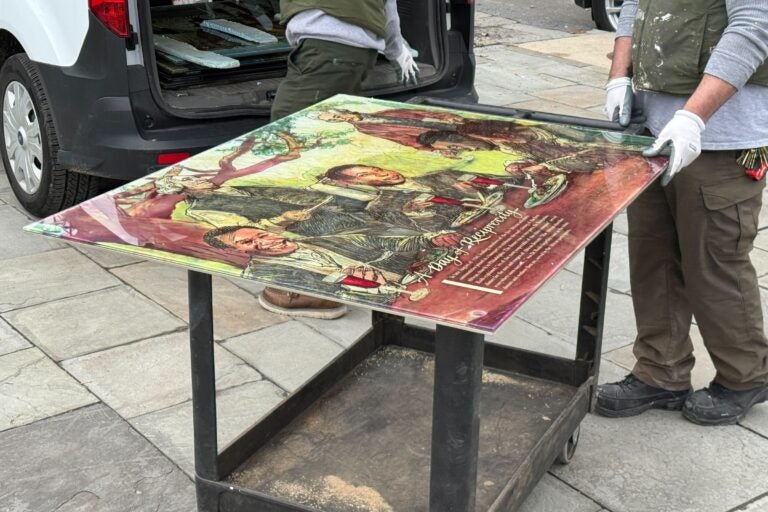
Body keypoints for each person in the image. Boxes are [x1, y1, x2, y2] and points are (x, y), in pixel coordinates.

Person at [597, 0, 768, 425]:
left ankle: (745, 376)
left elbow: (754, 23)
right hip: (653, 130)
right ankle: (661, 371)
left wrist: (692, 117)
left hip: (721, 135)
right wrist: (619, 77)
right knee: (652, 256)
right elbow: (634, 5)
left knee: (714, 263)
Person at [261, 0, 419, 318]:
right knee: (311, 153)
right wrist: (396, 48)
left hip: (329, 51)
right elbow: (388, 8)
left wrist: (396, 48)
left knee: (294, 147)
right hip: (335, 51)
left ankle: (298, 289)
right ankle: (314, 272)